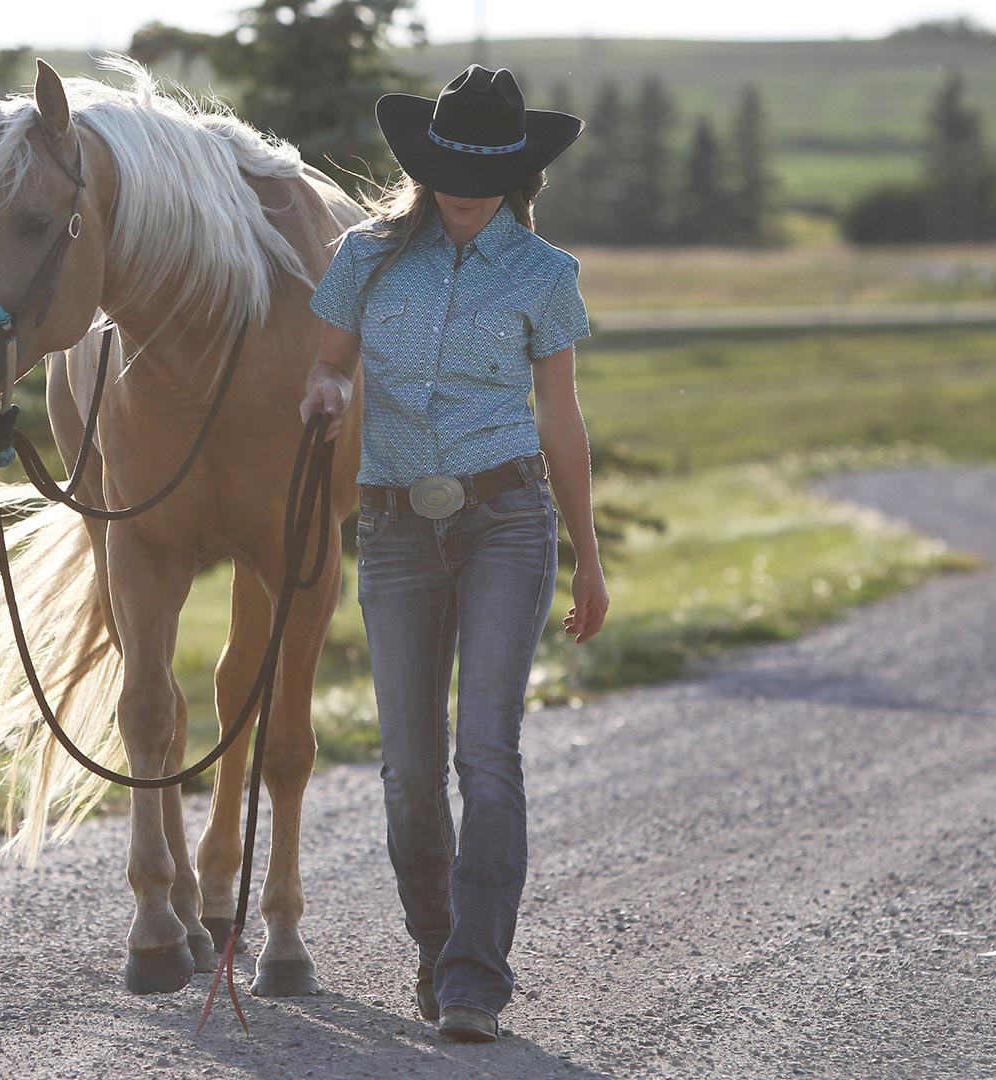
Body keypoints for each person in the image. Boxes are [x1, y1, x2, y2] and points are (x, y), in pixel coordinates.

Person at [298, 64, 610, 1043]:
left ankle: (477, 972)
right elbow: (325, 366)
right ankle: (436, 951)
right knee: (407, 767)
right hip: (391, 527)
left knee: (485, 752)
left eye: (483, 171)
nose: (464, 188)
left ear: (517, 173)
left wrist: (588, 559)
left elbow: (559, 422)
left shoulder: (542, 274)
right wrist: (322, 395)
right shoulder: (365, 258)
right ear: (422, 167)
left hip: (506, 519)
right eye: (446, 167)